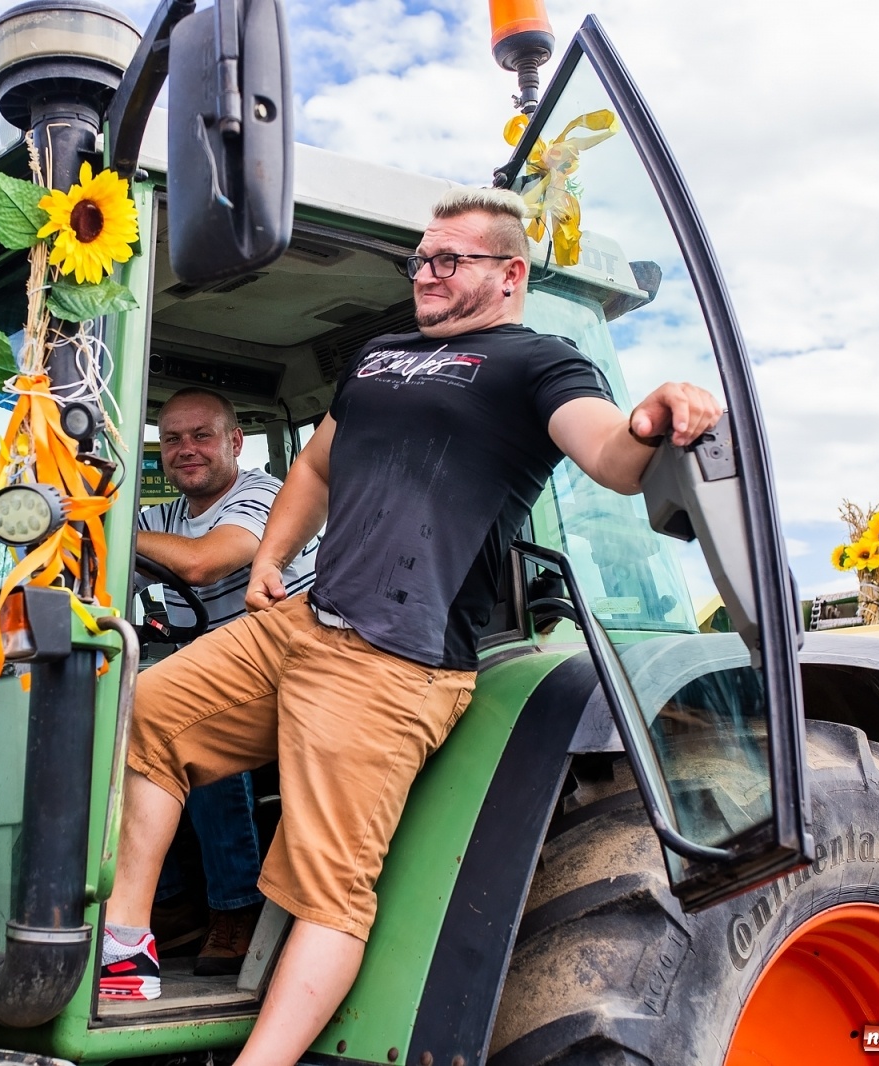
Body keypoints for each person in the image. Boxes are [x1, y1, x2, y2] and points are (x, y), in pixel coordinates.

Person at [99, 185, 723, 1058]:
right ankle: (124, 950)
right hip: (300, 625)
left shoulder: (535, 363)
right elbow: (316, 467)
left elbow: (613, 454)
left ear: (509, 273)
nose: (424, 274)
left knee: (327, 889)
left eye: (446, 260)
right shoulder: (378, 355)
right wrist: (273, 555)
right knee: (144, 718)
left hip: (393, 663)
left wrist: (661, 412)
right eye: (419, 260)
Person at [122, 387, 316, 984]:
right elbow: (103, 554)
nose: (185, 450)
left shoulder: (265, 496)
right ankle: (175, 901)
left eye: (201, 435)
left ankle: (236, 908)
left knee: (190, 721)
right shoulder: (168, 517)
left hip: (302, 670)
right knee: (115, 707)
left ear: (235, 442)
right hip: (223, 671)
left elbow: (204, 561)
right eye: (172, 439)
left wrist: (104, 531)